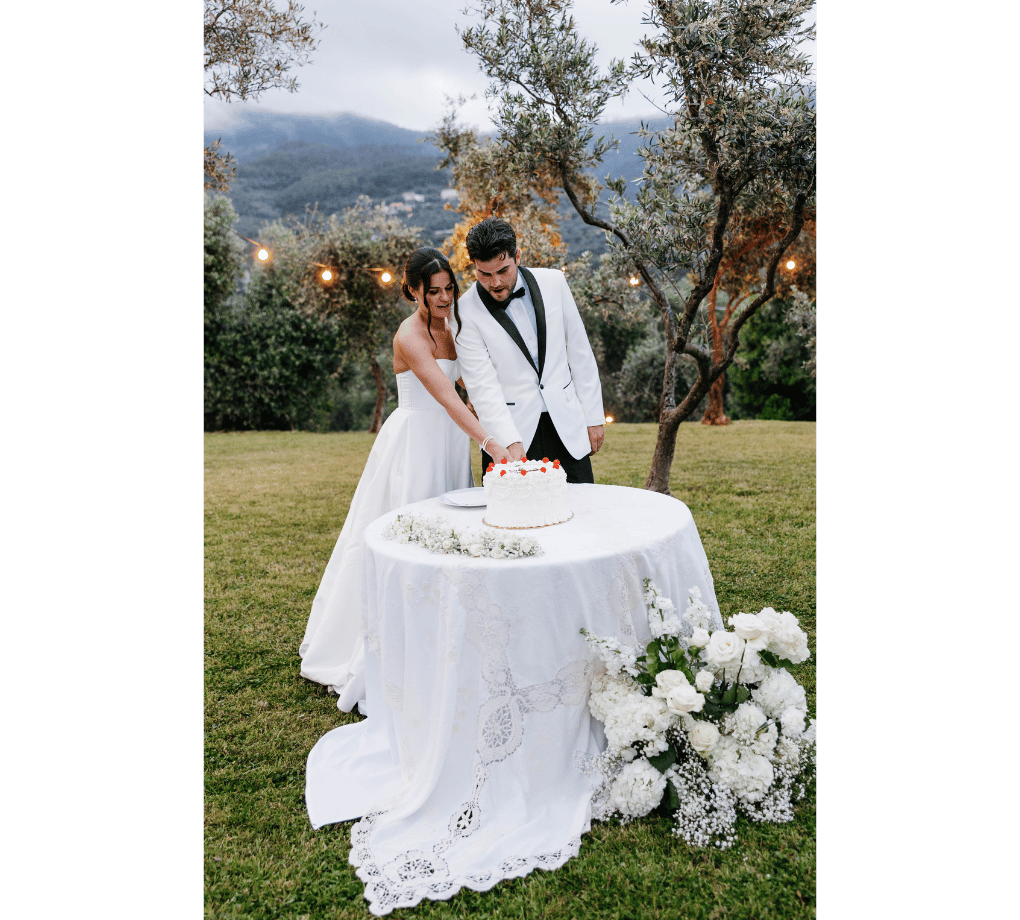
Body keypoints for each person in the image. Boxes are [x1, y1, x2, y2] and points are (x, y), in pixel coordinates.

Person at [299, 248, 511, 712]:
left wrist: (495, 418)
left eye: (448, 289)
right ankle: (391, 649)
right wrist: (494, 445)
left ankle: (444, 642)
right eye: (432, 291)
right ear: (413, 289)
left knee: (449, 543)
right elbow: (446, 399)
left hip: (452, 443)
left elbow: (470, 389)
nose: (443, 298)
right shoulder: (409, 335)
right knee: (409, 544)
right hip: (416, 445)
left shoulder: (455, 324)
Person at [455, 217, 606, 483]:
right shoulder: (464, 311)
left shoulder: (554, 282)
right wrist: (510, 442)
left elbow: (580, 351)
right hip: (512, 434)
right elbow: (481, 387)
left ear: (518, 256)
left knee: (582, 513)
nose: (495, 283)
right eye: (484, 274)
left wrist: (594, 417)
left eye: (503, 271)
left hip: (567, 427)